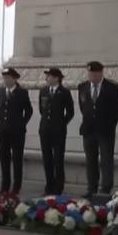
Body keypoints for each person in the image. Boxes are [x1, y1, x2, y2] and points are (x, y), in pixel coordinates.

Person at [77, 61, 118, 197]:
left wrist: (110, 125)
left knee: (106, 160)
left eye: (96, 73)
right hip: (89, 130)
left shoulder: (112, 87)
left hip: (105, 130)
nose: (93, 76)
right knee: (90, 160)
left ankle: (106, 188)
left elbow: (117, 109)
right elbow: (83, 106)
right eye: (90, 73)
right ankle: (92, 187)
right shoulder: (82, 87)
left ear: (101, 73)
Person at [37, 67, 74, 195]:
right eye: (46, 76)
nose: (46, 78)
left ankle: (58, 187)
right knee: (47, 159)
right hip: (45, 129)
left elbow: (70, 112)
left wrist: (61, 123)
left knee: (58, 159)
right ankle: (49, 186)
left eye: (49, 76)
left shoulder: (64, 92)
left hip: (58, 131)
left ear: (57, 78)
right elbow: (41, 110)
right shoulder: (43, 91)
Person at [0, 68, 33, 196]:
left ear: (14, 78)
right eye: (4, 78)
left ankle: (16, 187)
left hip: (17, 132)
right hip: (3, 130)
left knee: (17, 159)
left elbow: (29, 111)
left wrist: (21, 123)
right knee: (4, 158)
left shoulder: (22, 92)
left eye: (8, 78)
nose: (6, 80)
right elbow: (0, 109)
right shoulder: (0, 92)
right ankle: (4, 186)